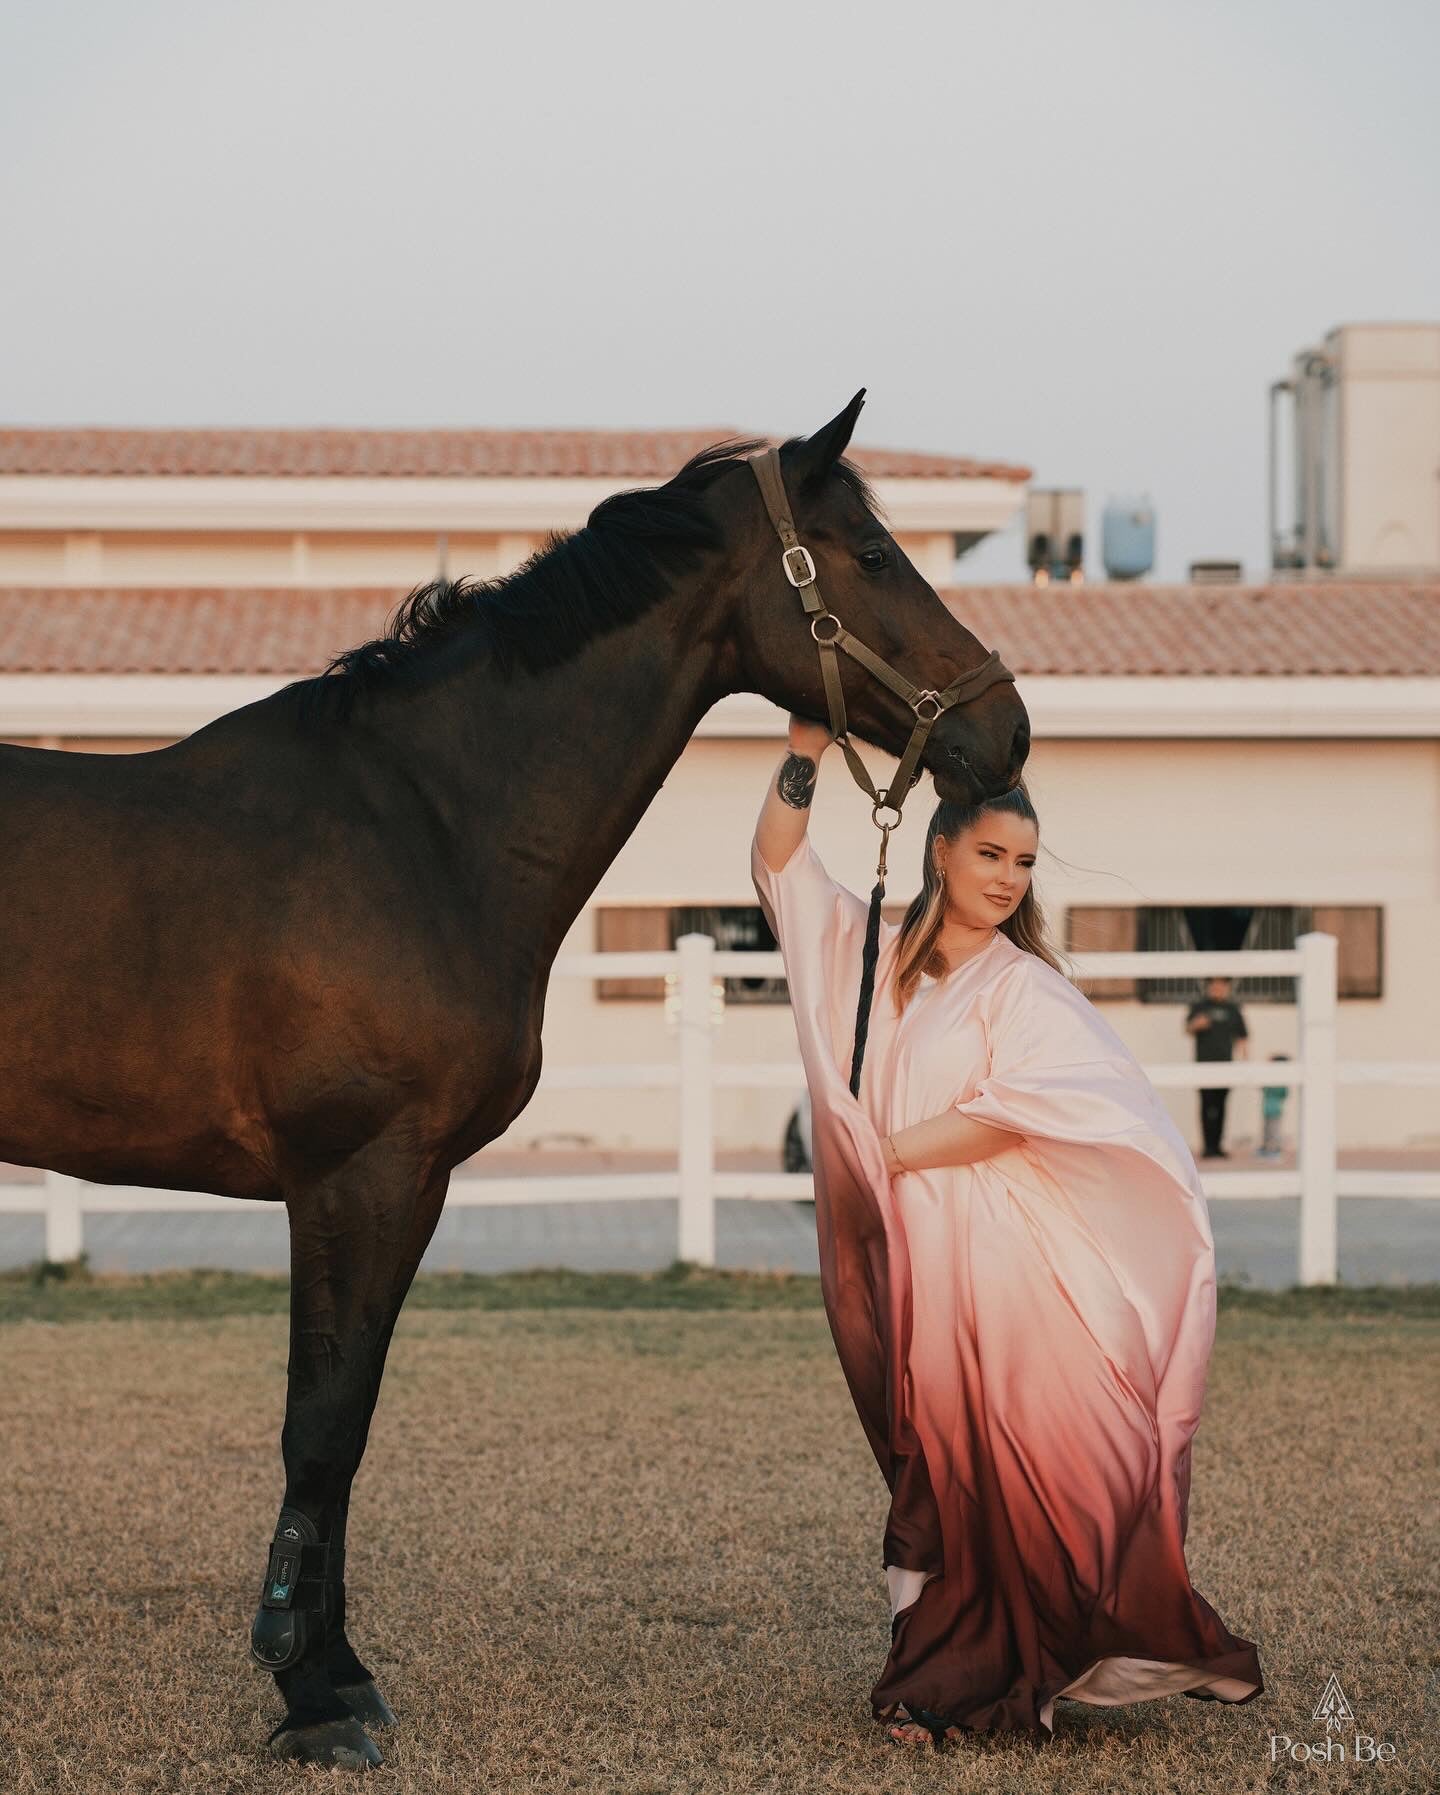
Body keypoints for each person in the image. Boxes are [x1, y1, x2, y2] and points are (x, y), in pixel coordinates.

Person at [751, 714, 1262, 1746]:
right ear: (940, 849)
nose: (1007, 878)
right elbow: (779, 863)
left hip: (1000, 1267)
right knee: (924, 1458)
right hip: (906, 1259)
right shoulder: (871, 951)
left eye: (1023, 862)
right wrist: (804, 751)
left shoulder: (1025, 985)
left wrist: (884, 1152)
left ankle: (953, 1679)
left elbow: (1018, 1112)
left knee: (992, 1469)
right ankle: (955, 1664)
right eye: (990, 854)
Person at [1185, 977, 1249, 1160]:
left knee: (1221, 1106)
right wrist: (1197, 1024)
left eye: (1222, 984)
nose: (1218, 988)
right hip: (1204, 1064)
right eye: (1214, 984)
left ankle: (1218, 1146)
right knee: (1206, 1105)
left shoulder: (1233, 1009)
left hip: (1226, 1064)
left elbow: (1242, 1036)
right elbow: (1187, 1028)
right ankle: (1208, 1147)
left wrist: (1246, 1061)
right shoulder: (1200, 1007)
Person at [1257, 1054, 1290, 1158]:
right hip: (1267, 1109)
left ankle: (1275, 1149)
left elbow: (1284, 1094)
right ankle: (1266, 1148)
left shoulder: (1280, 1082)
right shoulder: (1269, 1080)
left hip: (1275, 1110)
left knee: (1274, 1131)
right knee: (1266, 1130)